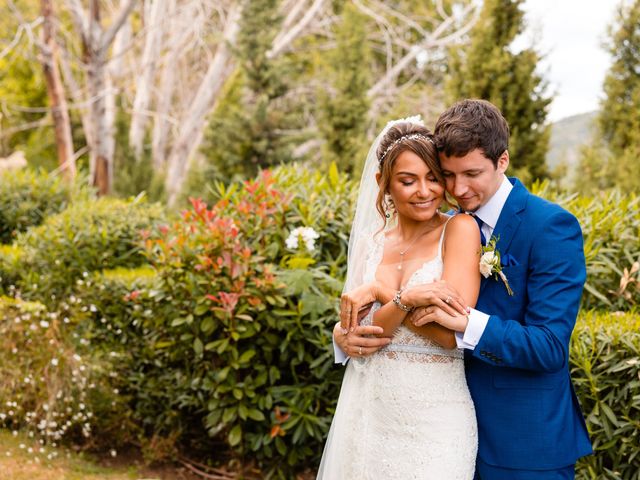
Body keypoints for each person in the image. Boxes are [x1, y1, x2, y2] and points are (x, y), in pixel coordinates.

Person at [335, 99, 592, 479]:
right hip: (437, 424)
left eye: (471, 173)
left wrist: (464, 323)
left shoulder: (550, 226)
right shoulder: (448, 223)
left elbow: (549, 346)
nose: (457, 188)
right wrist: (344, 334)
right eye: (449, 175)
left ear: (502, 161)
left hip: (522, 441)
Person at [318, 117, 481, 479]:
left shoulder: (459, 230)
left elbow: (449, 335)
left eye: (433, 178)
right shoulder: (370, 244)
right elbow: (368, 334)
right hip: (369, 413)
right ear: (384, 183)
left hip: (437, 421)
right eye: (408, 181)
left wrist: (384, 294)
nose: (424, 191)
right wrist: (343, 333)